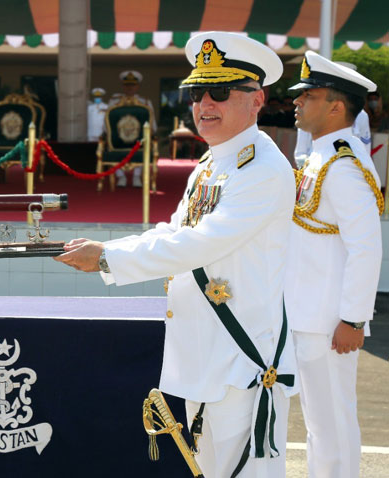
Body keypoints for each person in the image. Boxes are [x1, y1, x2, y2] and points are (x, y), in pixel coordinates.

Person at [55, 32, 297, 477]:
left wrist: (107, 258)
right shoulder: (211, 163)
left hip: (239, 355)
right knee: (206, 466)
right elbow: (174, 230)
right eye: (195, 93)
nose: (205, 103)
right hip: (206, 351)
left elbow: (201, 242)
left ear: (257, 99)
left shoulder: (263, 169)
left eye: (220, 92)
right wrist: (107, 249)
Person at [286, 51, 383, 478]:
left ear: (336, 106)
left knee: (332, 422)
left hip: (329, 319)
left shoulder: (343, 166)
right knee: (319, 422)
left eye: (308, 95)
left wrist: (353, 319)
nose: (297, 102)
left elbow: (367, 248)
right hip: (310, 311)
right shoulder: (322, 158)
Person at [294, 61, 372, 161]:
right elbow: (301, 152)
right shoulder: (309, 112)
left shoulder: (361, 116)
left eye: (309, 95)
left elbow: (365, 148)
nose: (296, 101)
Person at [109, 70, 157, 187]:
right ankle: (120, 176)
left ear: (138, 87)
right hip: (119, 139)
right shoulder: (114, 102)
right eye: (127, 85)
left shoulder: (145, 103)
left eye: (133, 85)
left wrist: (152, 133)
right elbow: (108, 123)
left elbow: (152, 123)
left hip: (138, 140)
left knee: (144, 142)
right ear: (123, 86)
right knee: (110, 143)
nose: (130, 88)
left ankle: (137, 176)